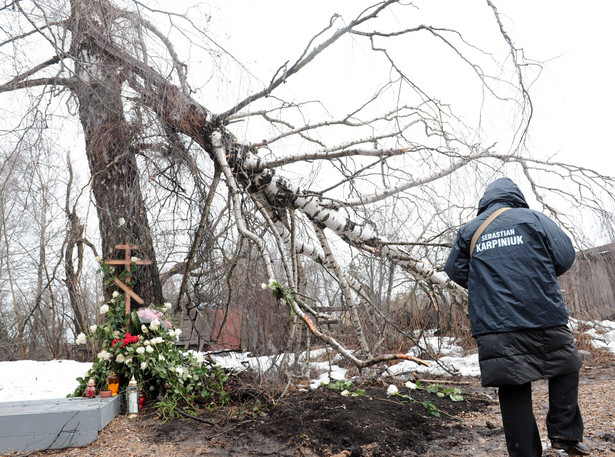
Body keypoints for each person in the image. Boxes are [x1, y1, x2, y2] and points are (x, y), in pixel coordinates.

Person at [444, 177, 590, 457]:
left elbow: (455, 270)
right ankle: (564, 433)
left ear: (485, 200)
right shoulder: (533, 218)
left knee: (512, 386)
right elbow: (564, 255)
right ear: (516, 196)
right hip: (543, 312)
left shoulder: (470, 230)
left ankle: (524, 453)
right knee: (566, 365)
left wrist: (486, 283)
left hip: (495, 323)